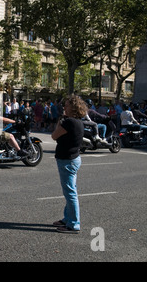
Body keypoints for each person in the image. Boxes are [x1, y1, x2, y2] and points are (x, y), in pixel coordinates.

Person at [51, 95, 88, 234]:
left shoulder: (68, 122)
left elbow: (54, 136)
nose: (64, 107)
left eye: (66, 105)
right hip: (72, 159)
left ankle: (73, 224)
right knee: (70, 191)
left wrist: (59, 122)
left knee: (70, 192)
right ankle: (67, 219)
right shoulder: (77, 121)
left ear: (73, 108)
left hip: (67, 160)